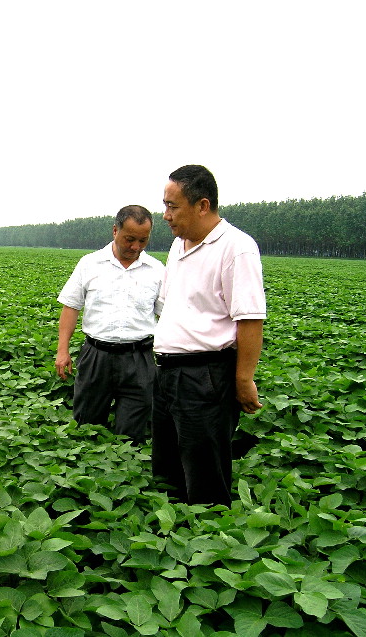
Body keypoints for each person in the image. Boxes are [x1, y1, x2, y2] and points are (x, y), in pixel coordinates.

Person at [152, 165, 266, 505]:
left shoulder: (236, 248)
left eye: (172, 206)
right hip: (167, 373)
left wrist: (243, 380)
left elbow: (250, 319)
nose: (166, 215)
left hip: (204, 376)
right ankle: (173, 530)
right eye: (165, 205)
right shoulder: (178, 246)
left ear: (202, 205)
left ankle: (211, 533)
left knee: (204, 475)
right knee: (168, 469)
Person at [55, 205, 164, 440]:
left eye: (143, 240)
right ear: (115, 231)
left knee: (132, 436)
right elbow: (71, 307)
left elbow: (168, 316)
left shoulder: (157, 270)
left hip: (139, 359)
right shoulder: (90, 264)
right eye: (130, 239)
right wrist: (62, 351)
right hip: (96, 356)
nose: (135, 247)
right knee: (86, 427)